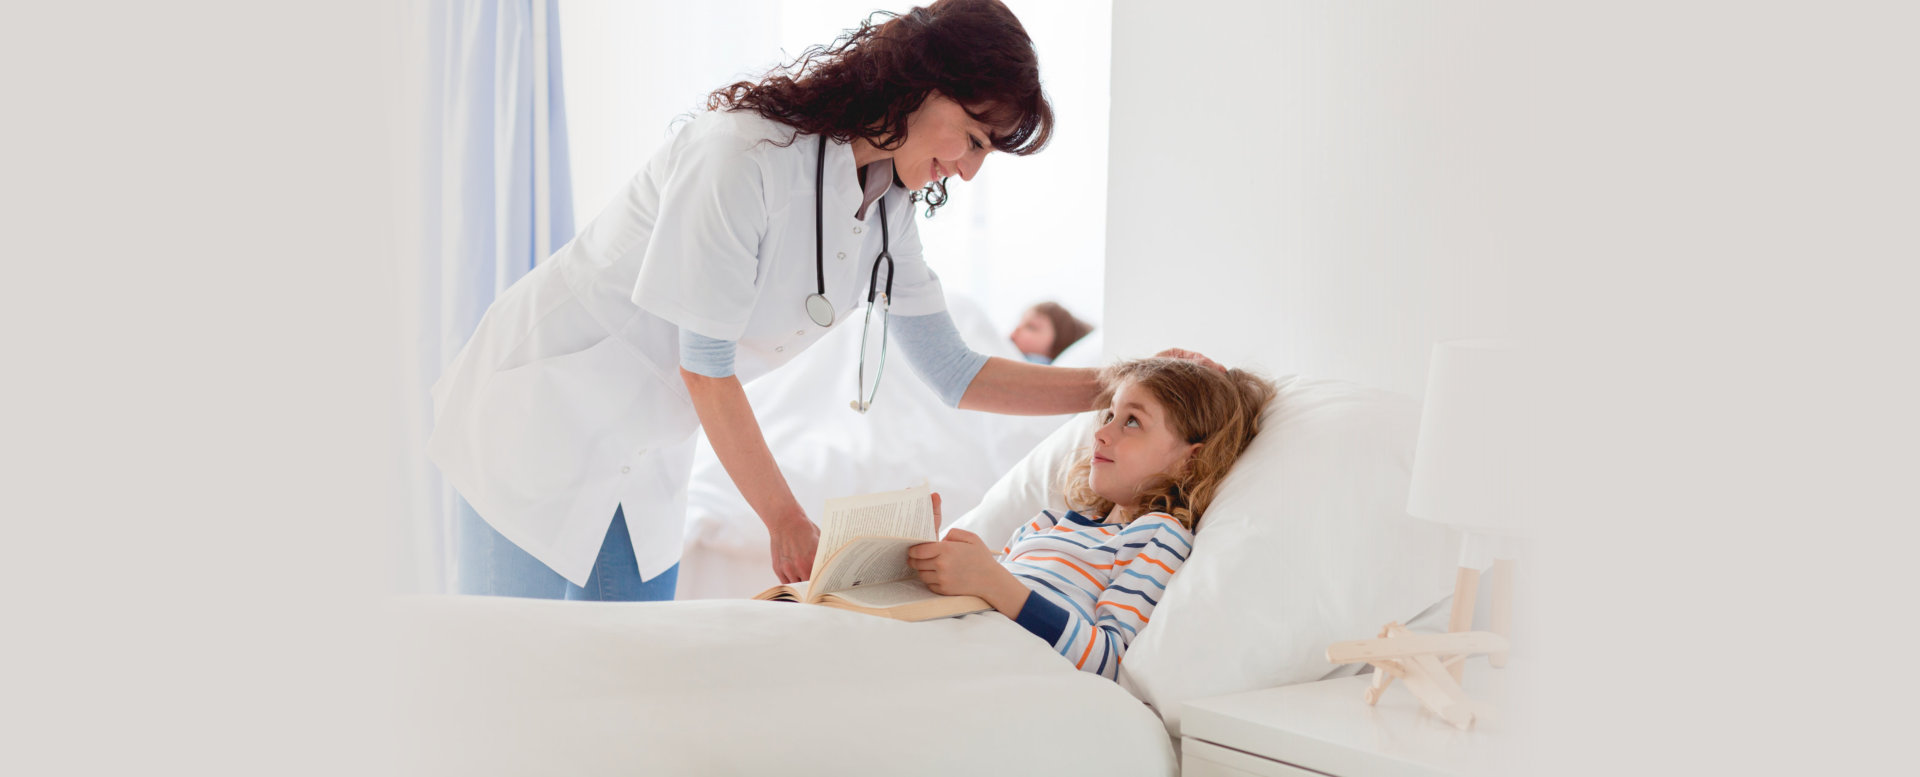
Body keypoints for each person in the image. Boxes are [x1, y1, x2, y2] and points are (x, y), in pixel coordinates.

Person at [428, 0, 1223, 602]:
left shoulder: (887, 209)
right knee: (509, 692)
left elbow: (952, 371)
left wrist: (1124, 383)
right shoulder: (739, 154)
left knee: (612, 700)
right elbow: (704, 366)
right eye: (974, 137)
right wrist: (784, 516)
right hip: (538, 424)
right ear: (921, 83)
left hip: (646, 461)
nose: (970, 169)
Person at [909, 358, 1276, 679]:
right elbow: (989, 586)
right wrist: (931, 552)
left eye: (1132, 422)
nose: (1100, 433)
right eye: (1110, 416)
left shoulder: (1156, 537)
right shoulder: (1049, 523)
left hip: (1003, 663)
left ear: (1190, 460)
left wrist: (992, 582)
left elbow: (1107, 660)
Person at [1010, 301, 1093, 364]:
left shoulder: (1039, 367)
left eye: (1031, 327)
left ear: (1057, 344)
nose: (1017, 329)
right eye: (1020, 323)